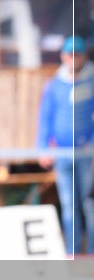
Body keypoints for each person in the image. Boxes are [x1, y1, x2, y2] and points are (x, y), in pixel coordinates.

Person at [37, 35, 94, 254]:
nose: (72, 59)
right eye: (69, 55)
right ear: (63, 56)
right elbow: (45, 119)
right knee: (68, 206)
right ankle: (72, 253)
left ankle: (91, 254)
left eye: (76, 55)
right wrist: (43, 147)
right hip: (62, 153)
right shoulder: (53, 85)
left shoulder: (91, 81)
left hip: (87, 154)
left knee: (89, 205)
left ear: (83, 57)